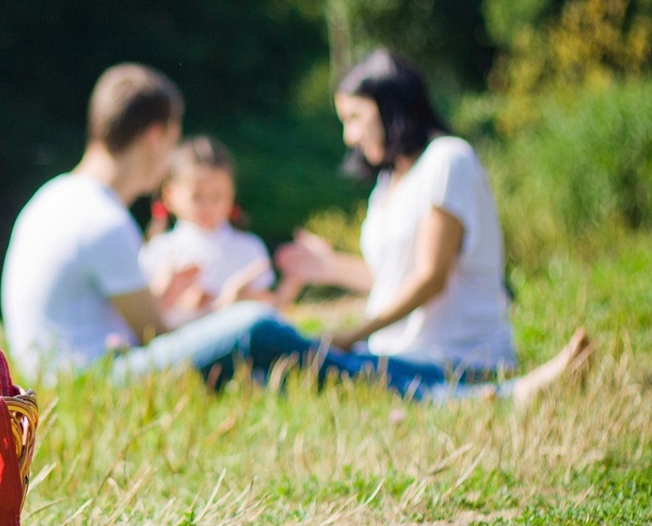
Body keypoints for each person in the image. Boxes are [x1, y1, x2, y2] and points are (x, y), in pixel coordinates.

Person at [224, 48, 590, 404]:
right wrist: (328, 265)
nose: (349, 137)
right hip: (396, 353)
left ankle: (510, 395)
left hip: (455, 356)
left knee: (297, 352)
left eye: (354, 118)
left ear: (390, 106)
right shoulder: (387, 184)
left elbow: (430, 277)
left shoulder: (448, 160)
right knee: (289, 368)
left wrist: (352, 334)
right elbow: (392, 278)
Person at [0, 62, 284, 386]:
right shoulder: (104, 220)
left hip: (52, 377)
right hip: (93, 380)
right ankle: (351, 366)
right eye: (172, 141)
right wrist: (224, 308)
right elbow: (157, 337)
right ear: (155, 137)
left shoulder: (52, 196)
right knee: (253, 322)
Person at [140, 135, 302, 324]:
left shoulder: (249, 247)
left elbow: (271, 313)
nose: (208, 206)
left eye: (217, 196)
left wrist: (294, 279)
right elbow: (147, 323)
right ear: (170, 194)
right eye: (197, 197)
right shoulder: (159, 251)